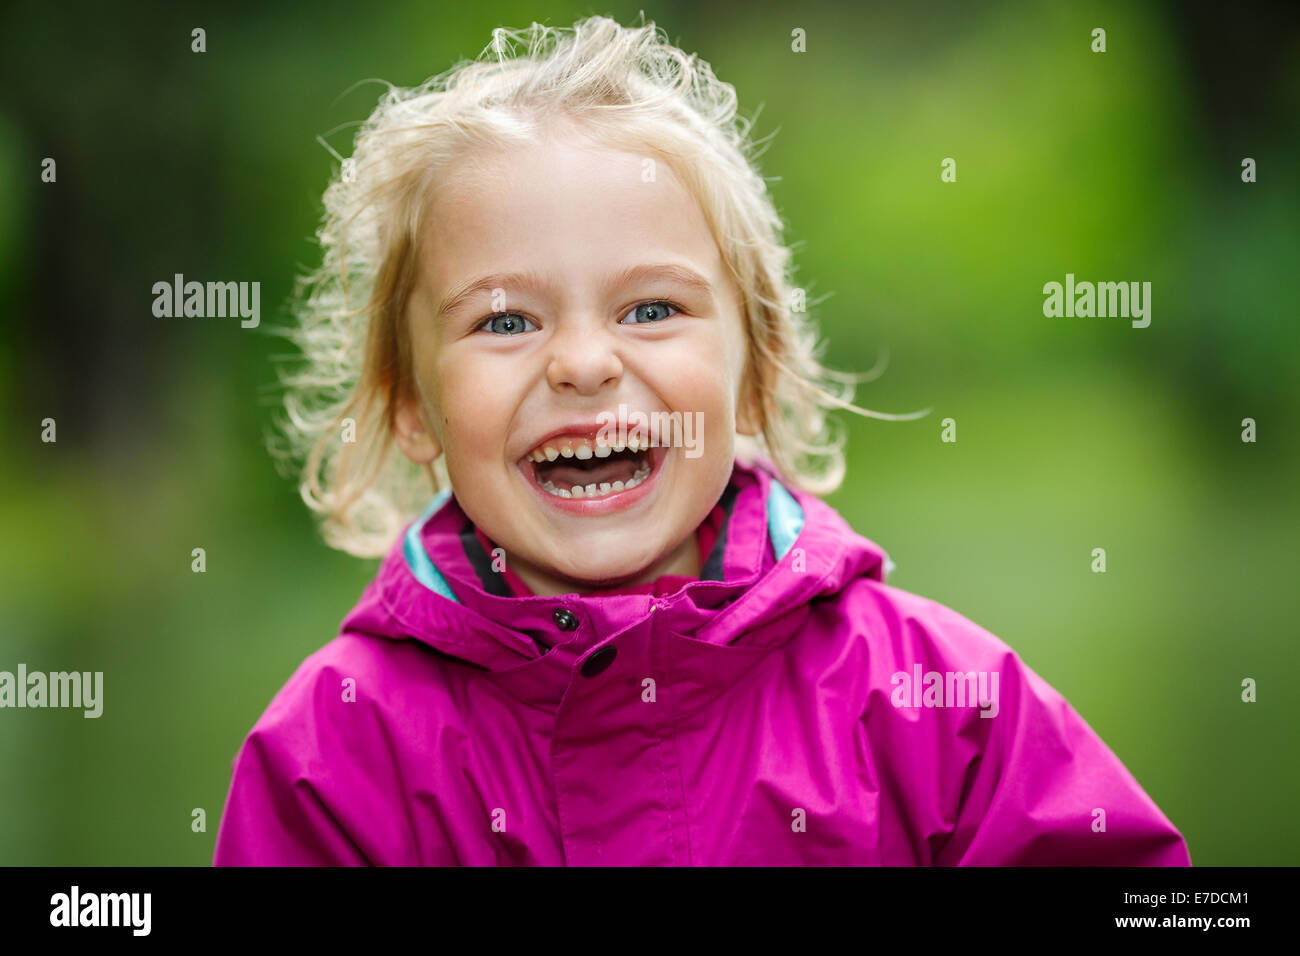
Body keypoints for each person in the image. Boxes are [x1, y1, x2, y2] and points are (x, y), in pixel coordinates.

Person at [214, 16, 1191, 865]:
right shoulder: (335, 752)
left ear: (753, 374)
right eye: (507, 321)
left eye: (649, 307)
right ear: (410, 404)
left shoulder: (937, 705)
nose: (584, 363)